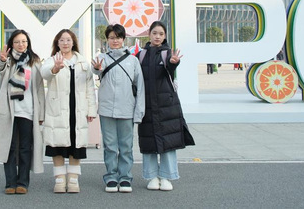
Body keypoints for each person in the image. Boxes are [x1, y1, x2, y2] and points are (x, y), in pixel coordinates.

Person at [0, 30, 45, 195]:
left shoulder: (34, 61)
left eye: (24, 41)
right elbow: (1, 70)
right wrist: (2, 60)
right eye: (17, 42)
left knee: (25, 148)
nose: (21, 45)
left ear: (28, 43)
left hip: (28, 111)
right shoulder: (8, 60)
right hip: (9, 111)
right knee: (9, 148)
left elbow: (39, 88)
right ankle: (10, 183)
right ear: (12, 44)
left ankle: (23, 182)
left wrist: (41, 114)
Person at [136, 21, 192, 192]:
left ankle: (166, 176)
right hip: (146, 105)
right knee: (149, 142)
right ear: (149, 34)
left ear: (165, 36)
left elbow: (171, 65)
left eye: (161, 34)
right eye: (154, 33)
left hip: (167, 106)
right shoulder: (141, 55)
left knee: (168, 142)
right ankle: (152, 176)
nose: (157, 36)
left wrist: (174, 62)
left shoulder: (168, 53)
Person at [41, 29, 97, 193]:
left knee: (76, 144)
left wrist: (91, 110)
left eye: (68, 40)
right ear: (57, 43)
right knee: (56, 145)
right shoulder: (52, 60)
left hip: (78, 109)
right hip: (57, 110)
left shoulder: (82, 62)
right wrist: (55, 69)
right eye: (62, 40)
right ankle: (59, 179)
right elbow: (45, 74)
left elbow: (90, 88)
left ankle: (73, 179)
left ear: (73, 42)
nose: (65, 43)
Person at [91, 24, 145, 193]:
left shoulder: (133, 60)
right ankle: (111, 177)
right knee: (110, 146)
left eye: (118, 37)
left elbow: (140, 87)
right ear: (107, 39)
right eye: (112, 38)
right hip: (106, 109)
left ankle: (125, 177)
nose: (115, 41)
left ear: (123, 39)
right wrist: (97, 69)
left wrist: (139, 112)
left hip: (127, 109)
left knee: (126, 146)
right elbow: (96, 71)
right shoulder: (102, 58)